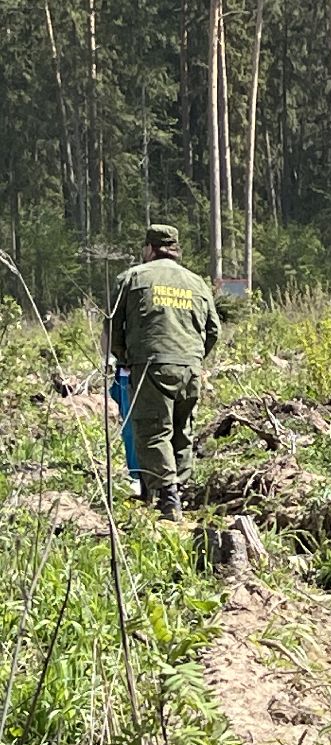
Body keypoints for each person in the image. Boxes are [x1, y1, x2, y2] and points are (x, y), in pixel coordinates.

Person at [105, 224, 221, 522]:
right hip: (189, 368)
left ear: (149, 248)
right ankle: (174, 491)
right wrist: (193, 357)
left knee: (153, 430)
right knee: (181, 431)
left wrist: (123, 358)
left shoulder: (132, 277)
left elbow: (113, 325)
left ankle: (168, 499)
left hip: (150, 366)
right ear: (175, 248)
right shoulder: (196, 283)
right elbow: (213, 331)